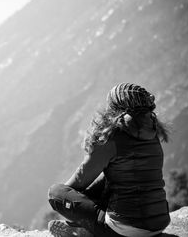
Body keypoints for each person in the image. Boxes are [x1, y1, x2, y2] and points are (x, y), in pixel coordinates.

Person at [47, 83, 171, 237]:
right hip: (158, 224)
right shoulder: (153, 133)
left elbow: (80, 180)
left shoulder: (113, 135)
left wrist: (70, 201)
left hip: (122, 230)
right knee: (110, 177)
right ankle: (83, 226)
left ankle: (85, 230)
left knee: (55, 193)